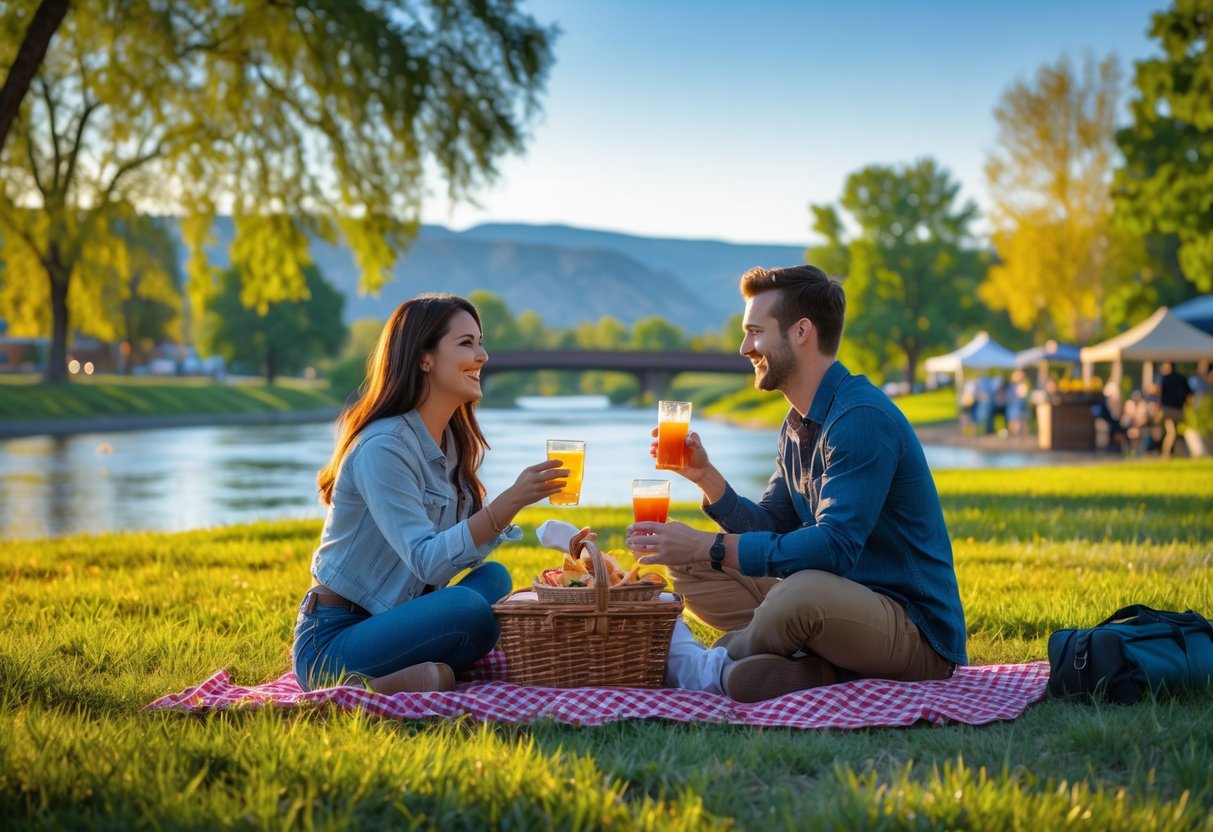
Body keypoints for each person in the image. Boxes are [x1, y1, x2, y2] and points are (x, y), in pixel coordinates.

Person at [626, 264, 967, 702]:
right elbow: (772, 523)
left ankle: (714, 665)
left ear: (801, 331)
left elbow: (835, 546)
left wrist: (708, 545)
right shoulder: (797, 425)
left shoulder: (859, 419)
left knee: (797, 593)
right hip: (835, 604)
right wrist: (707, 479)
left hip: (912, 630)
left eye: (755, 332)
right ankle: (815, 667)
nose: (744, 347)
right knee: (689, 566)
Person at [292, 294, 567, 694]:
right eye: (466, 343)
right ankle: (375, 683)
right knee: (466, 609)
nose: (483, 355)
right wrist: (512, 500)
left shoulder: (451, 444)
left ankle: (413, 673)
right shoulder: (383, 447)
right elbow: (428, 563)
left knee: (494, 578)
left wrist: (510, 513)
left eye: (480, 342)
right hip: (333, 642)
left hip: (396, 622)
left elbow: (452, 552)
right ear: (424, 357)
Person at [1158, 361, 1192, 460]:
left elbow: (1161, 394)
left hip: (1168, 409)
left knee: (1172, 432)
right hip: (1178, 410)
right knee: (1174, 432)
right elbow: (1188, 394)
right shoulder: (1182, 378)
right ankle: (1178, 453)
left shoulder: (1165, 378)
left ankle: (1167, 454)